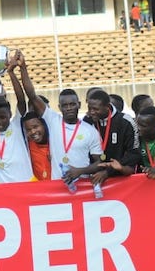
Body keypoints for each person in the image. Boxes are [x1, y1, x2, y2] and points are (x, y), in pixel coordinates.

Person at [18, 52, 103, 182]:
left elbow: (99, 163)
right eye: (65, 105)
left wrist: (80, 171)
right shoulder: (53, 120)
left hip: (82, 186)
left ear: (79, 105)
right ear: (59, 107)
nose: (69, 108)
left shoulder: (90, 131)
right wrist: (23, 68)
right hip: (57, 187)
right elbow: (32, 95)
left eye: (72, 104)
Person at [85, 90, 141, 185]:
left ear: (107, 107)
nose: (91, 112)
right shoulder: (87, 121)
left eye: (95, 109)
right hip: (95, 178)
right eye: (89, 108)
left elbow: (134, 153)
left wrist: (108, 171)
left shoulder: (126, 122)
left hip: (121, 179)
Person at [23, 112, 51, 181]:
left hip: (56, 187)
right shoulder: (27, 147)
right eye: (28, 130)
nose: (32, 132)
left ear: (43, 125)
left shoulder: (55, 143)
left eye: (35, 127)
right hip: (37, 189)